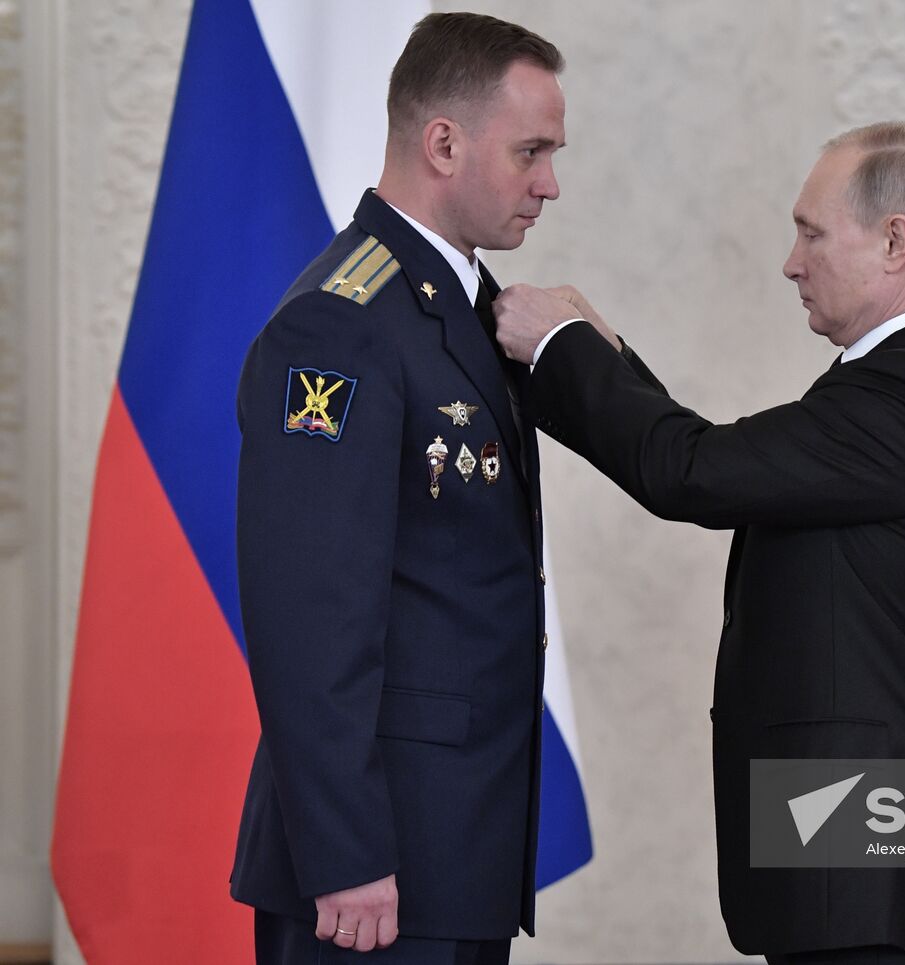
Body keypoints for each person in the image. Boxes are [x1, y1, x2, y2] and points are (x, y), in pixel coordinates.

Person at [494, 123, 905, 965]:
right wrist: (607, 356)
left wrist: (560, 349)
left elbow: (695, 473)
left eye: (811, 232)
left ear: (895, 241)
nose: (790, 261)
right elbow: (733, 465)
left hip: (877, 873)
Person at [229, 13, 634, 963]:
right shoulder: (341, 325)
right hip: (374, 872)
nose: (550, 183)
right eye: (530, 151)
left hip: (455, 850)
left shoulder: (464, 307)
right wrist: (346, 852)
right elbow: (310, 617)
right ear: (443, 142)